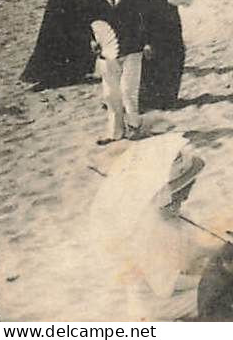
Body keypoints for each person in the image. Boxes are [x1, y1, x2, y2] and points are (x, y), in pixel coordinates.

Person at [90, 134, 215, 320]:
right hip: (157, 306)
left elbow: (192, 248)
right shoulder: (151, 227)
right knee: (226, 293)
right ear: (169, 193)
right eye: (184, 187)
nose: (188, 192)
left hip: (173, 287)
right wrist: (214, 280)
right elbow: (166, 285)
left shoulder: (175, 216)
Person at [87, 0, 152, 144]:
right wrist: (92, 39)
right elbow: (88, 17)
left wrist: (148, 42)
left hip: (133, 45)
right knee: (110, 93)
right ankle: (115, 131)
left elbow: (147, 18)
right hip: (107, 49)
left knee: (128, 90)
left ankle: (135, 126)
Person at [139, 0, 195, 111]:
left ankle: (152, 94)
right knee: (173, 52)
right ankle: (167, 97)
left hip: (154, 10)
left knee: (156, 53)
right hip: (168, 13)